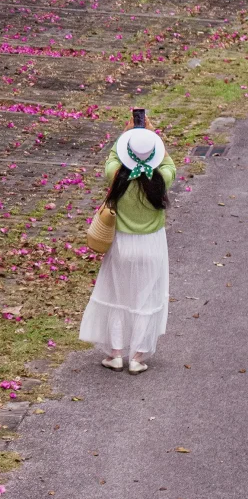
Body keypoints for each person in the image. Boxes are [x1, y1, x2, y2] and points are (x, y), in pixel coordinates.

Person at [79, 123, 175, 375]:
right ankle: (138, 357)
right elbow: (167, 162)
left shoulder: (116, 176)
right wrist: (153, 136)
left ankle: (116, 355)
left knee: (117, 296)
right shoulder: (162, 178)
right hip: (152, 244)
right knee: (146, 298)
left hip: (122, 244)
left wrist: (128, 134)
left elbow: (113, 156)